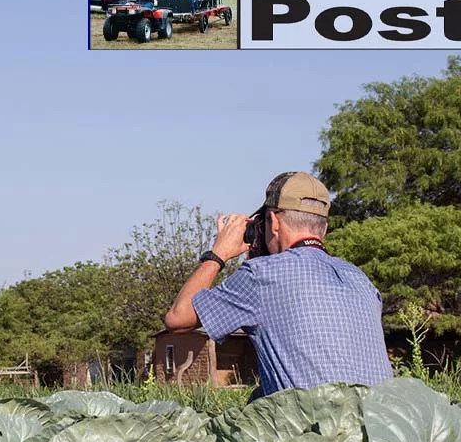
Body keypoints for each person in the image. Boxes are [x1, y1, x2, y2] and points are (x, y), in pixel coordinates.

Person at [163, 171, 393, 401]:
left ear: (273, 222)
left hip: (317, 433)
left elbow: (178, 318)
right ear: (323, 228)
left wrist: (217, 255)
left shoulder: (262, 275)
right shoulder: (360, 279)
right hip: (380, 428)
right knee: (259, 397)